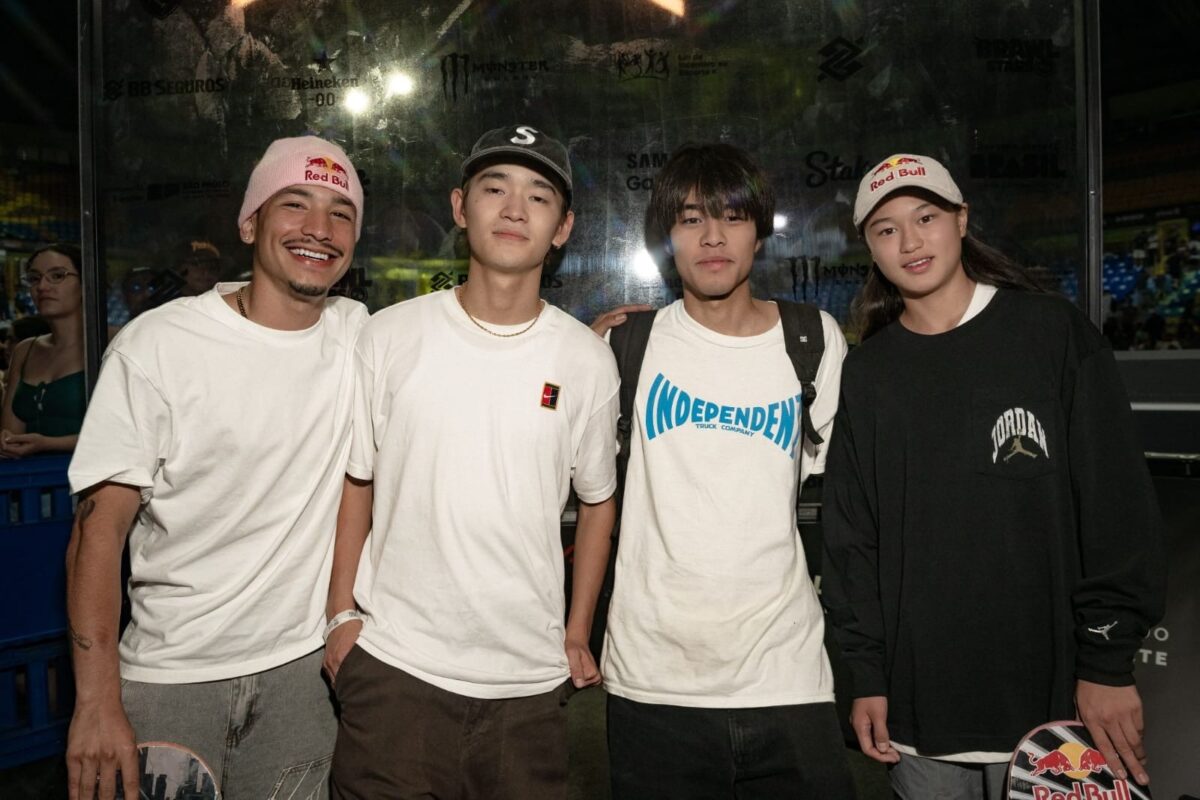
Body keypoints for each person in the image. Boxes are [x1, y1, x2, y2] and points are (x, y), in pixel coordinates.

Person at [821, 153, 1166, 800]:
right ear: (870, 246)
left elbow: (1117, 509)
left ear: (962, 219)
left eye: (926, 217)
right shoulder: (869, 374)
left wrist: (1107, 661)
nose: (910, 241)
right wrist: (864, 674)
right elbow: (852, 541)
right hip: (920, 717)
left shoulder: (1051, 334)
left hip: (1054, 707)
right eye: (887, 229)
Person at [64, 135, 368, 800]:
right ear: (250, 222)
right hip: (169, 681)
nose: (319, 229)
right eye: (295, 204)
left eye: (340, 213)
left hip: (301, 680)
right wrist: (95, 701)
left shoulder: (360, 337)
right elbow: (97, 531)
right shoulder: (159, 345)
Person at [325, 124, 618, 799]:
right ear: (461, 207)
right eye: (495, 189)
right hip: (394, 671)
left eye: (538, 197)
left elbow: (599, 501)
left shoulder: (585, 359)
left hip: (527, 685)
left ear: (563, 227)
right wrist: (341, 616)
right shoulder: (389, 336)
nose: (514, 210)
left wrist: (577, 630)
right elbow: (357, 480)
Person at [596, 143, 855, 799]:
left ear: (759, 231)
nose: (713, 237)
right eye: (691, 219)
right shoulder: (625, 346)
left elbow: (844, 496)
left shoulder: (813, 340)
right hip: (653, 680)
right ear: (668, 237)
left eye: (733, 217)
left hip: (789, 675)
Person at [0, 244, 86, 458]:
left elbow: (128, 432)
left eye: (57, 276)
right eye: (34, 278)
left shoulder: (114, 341)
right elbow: (11, 434)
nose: (42, 286)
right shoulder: (25, 350)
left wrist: (48, 444)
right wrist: (6, 441)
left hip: (92, 475)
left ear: (86, 283)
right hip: (30, 475)